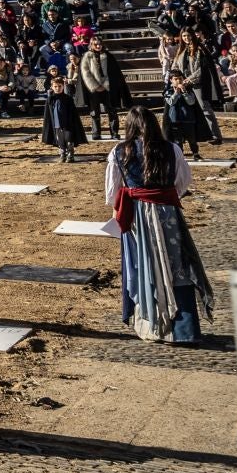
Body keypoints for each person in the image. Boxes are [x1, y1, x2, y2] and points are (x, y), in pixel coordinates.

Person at [106, 108, 212, 343]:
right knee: (178, 266)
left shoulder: (119, 151)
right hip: (168, 214)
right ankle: (184, 330)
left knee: (143, 265)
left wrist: (127, 201)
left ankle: (152, 327)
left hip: (136, 216)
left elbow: (112, 191)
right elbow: (182, 182)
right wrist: (163, 195)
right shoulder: (171, 148)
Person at [41, 75, 87, 164]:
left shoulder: (68, 99)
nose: (57, 88)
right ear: (52, 87)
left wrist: (71, 123)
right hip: (57, 124)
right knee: (60, 140)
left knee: (69, 140)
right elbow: (48, 114)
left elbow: (73, 113)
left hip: (68, 124)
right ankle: (62, 154)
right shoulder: (51, 99)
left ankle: (70, 154)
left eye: (59, 86)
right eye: (55, 86)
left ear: (63, 86)